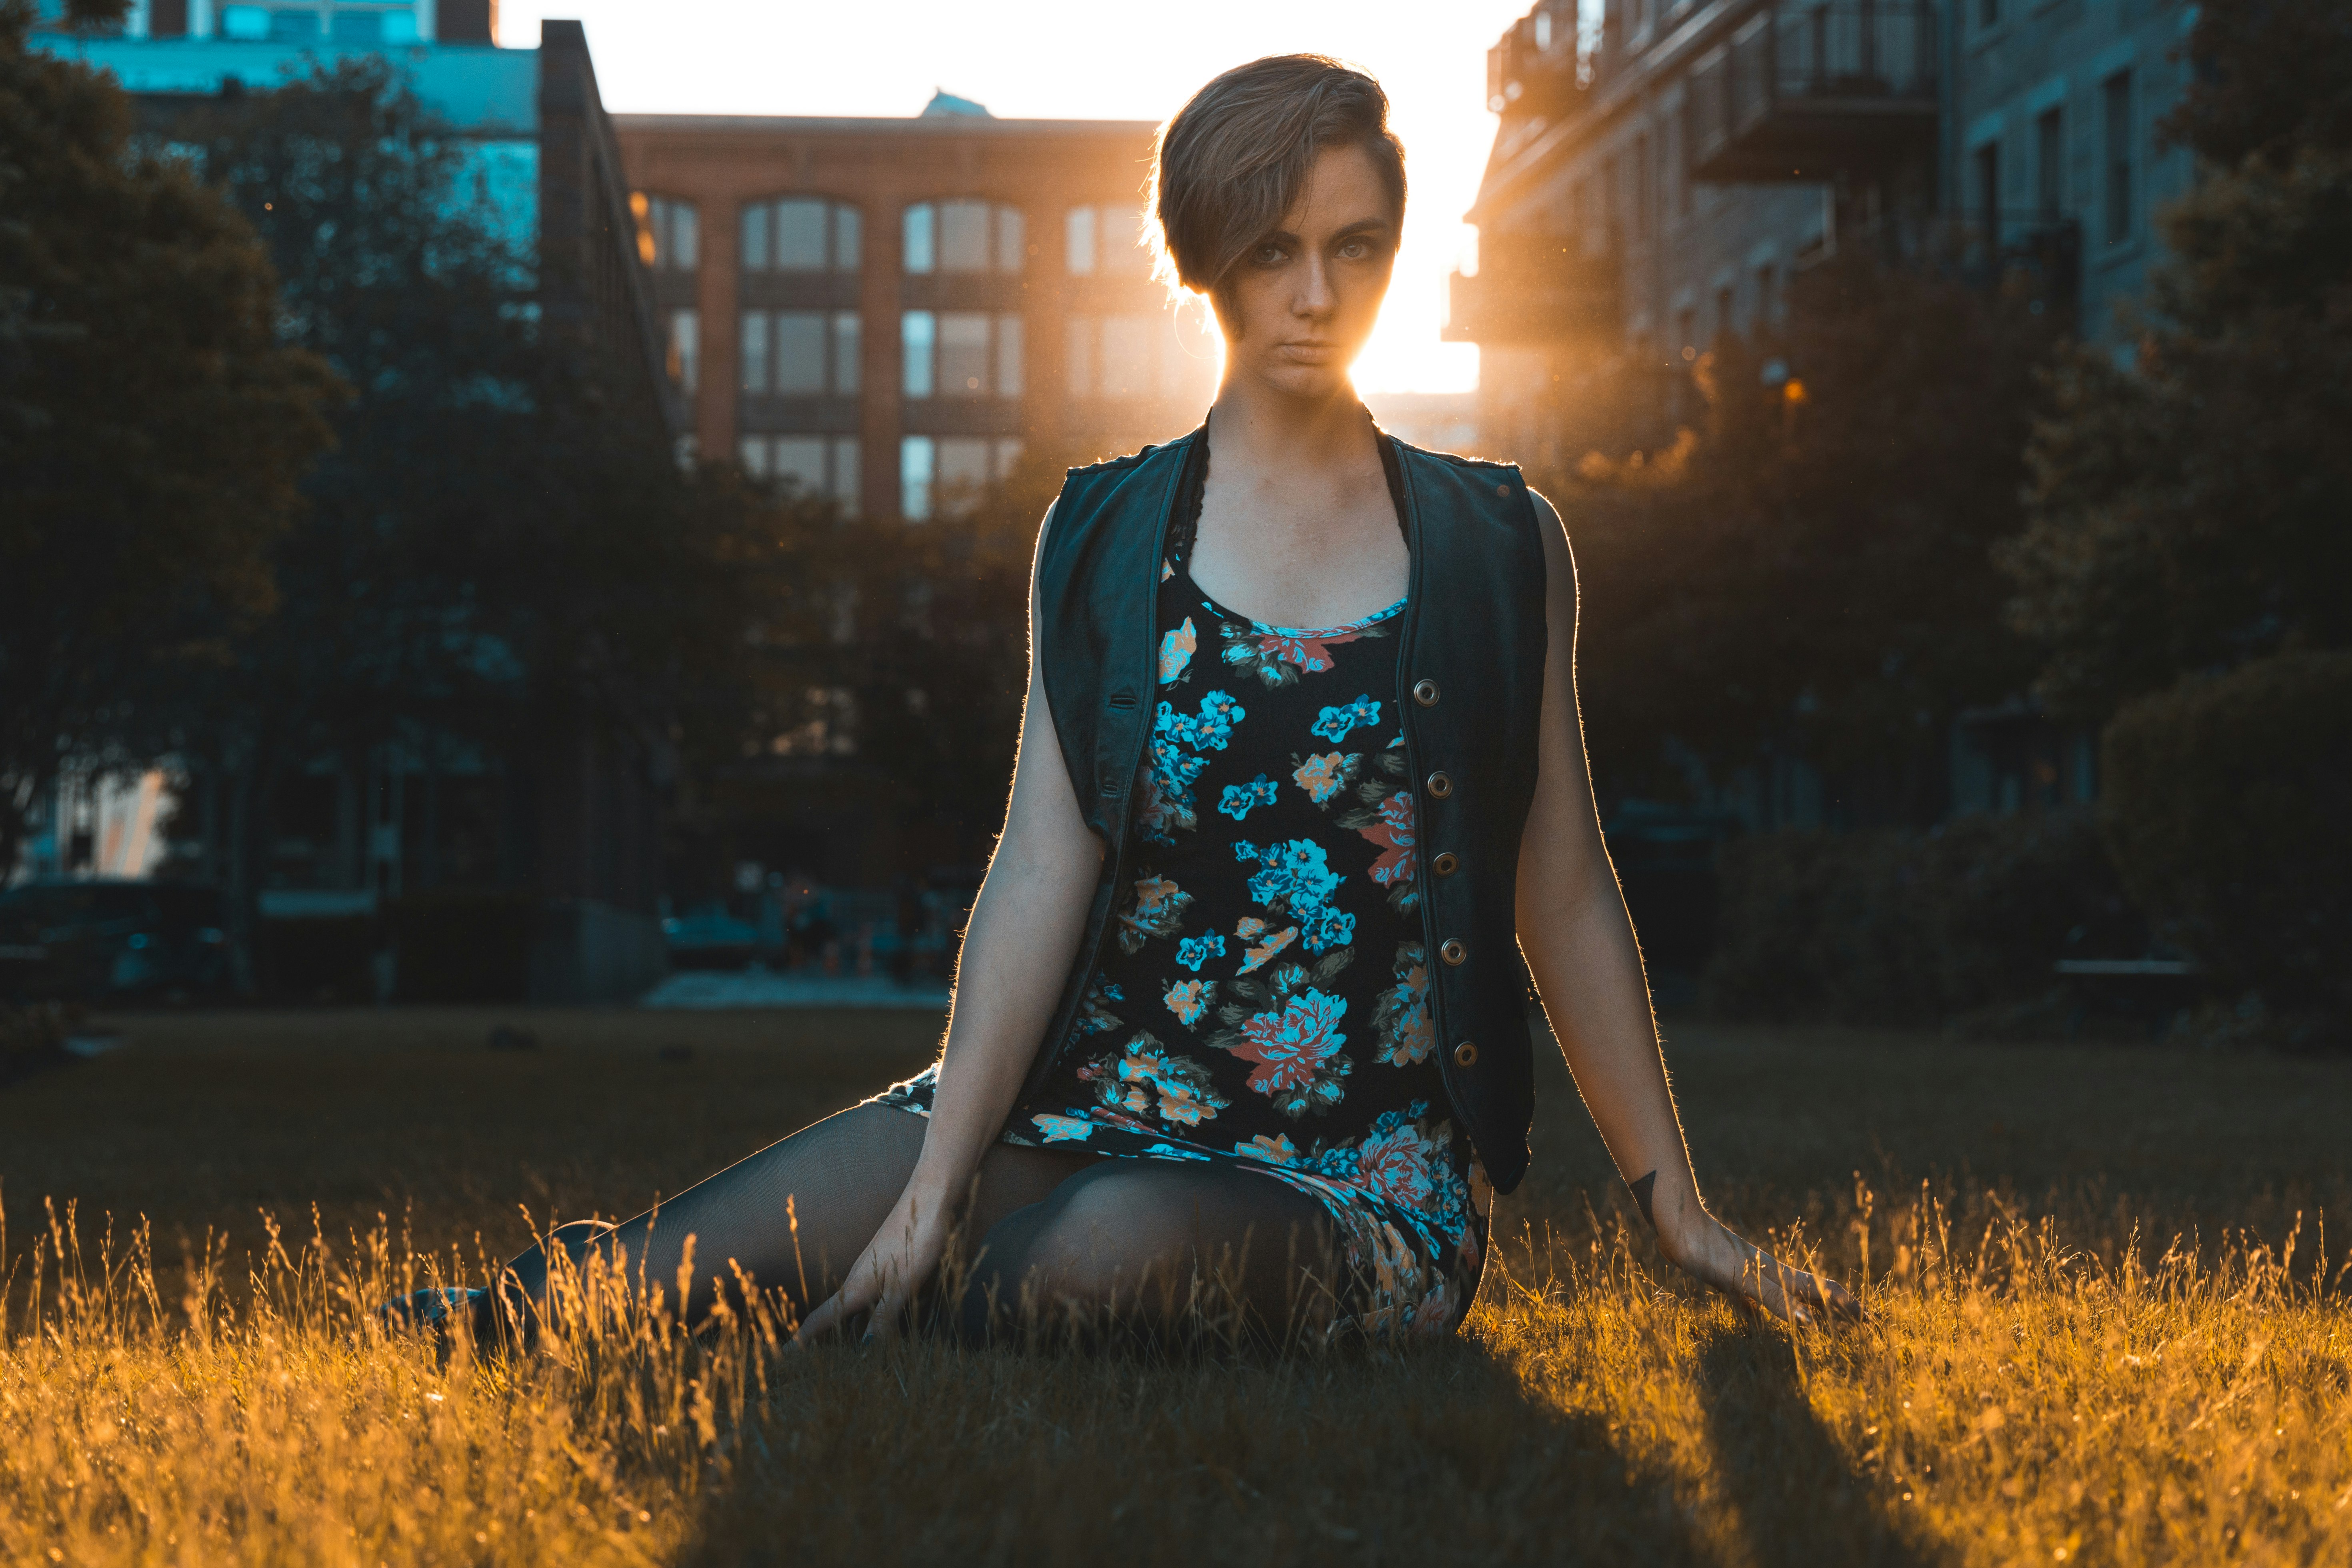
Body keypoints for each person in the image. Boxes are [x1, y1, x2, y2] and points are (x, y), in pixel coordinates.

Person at [394, 54, 1856, 1350]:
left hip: (1352, 1174)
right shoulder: (1101, 533)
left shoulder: (1497, 539)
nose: (1317, 294)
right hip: (1093, 1102)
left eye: (1357, 246)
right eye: (1272, 249)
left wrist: (1677, 1205)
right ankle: (642, 1286)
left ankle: (971, 1276)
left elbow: (1565, 880)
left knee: (1087, 1266)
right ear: (1204, 258)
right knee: (656, 1281)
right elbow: (1043, 861)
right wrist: (937, 1174)